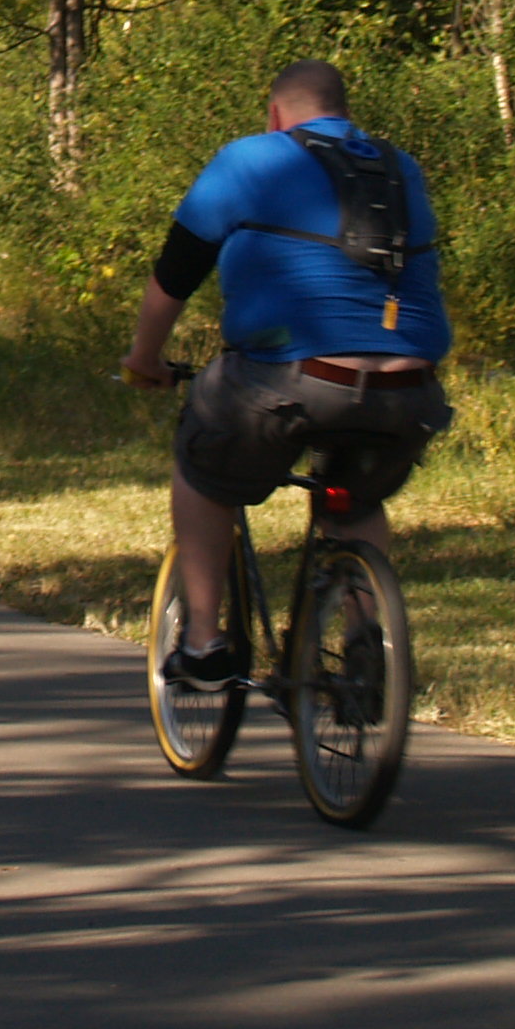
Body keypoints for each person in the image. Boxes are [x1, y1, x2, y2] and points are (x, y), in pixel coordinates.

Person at [120, 59, 452, 684]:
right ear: (344, 111)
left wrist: (144, 359)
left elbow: (176, 273)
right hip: (409, 390)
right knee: (352, 500)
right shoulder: (400, 167)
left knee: (203, 466)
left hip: (293, 379)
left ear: (274, 114)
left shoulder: (253, 159)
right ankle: (365, 647)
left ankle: (200, 642)